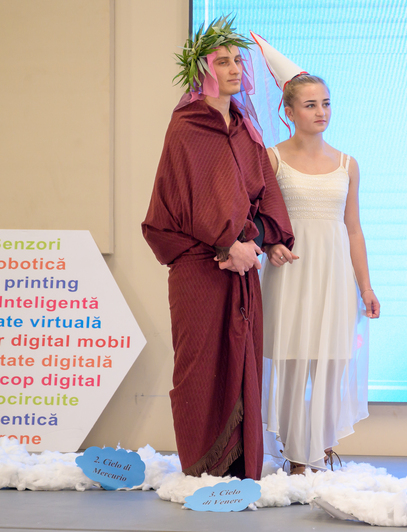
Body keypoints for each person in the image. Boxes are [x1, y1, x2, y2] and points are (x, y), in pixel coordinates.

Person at [142, 18, 293, 480]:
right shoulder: (187, 126)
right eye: (222, 61)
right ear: (201, 70)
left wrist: (260, 239)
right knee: (199, 367)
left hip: (241, 266)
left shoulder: (245, 127)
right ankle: (201, 470)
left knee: (242, 359)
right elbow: (190, 196)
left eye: (238, 61)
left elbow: (264, 191)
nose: (234, 69)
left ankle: (240, 470)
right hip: (199, 269)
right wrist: (228, 243)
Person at [251, 34, 380, 475]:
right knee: (290, 360)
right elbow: (256, 218)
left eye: (326, 103)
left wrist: (366, 287)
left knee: (331, 359)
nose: (321, 112)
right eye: (310, 105)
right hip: (291, 273)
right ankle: (294, 456)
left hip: (335, 275)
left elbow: (353, 229)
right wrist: (271, 245)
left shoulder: (347, 164)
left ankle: (320, 451)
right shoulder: (271, 159)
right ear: (288, 111)